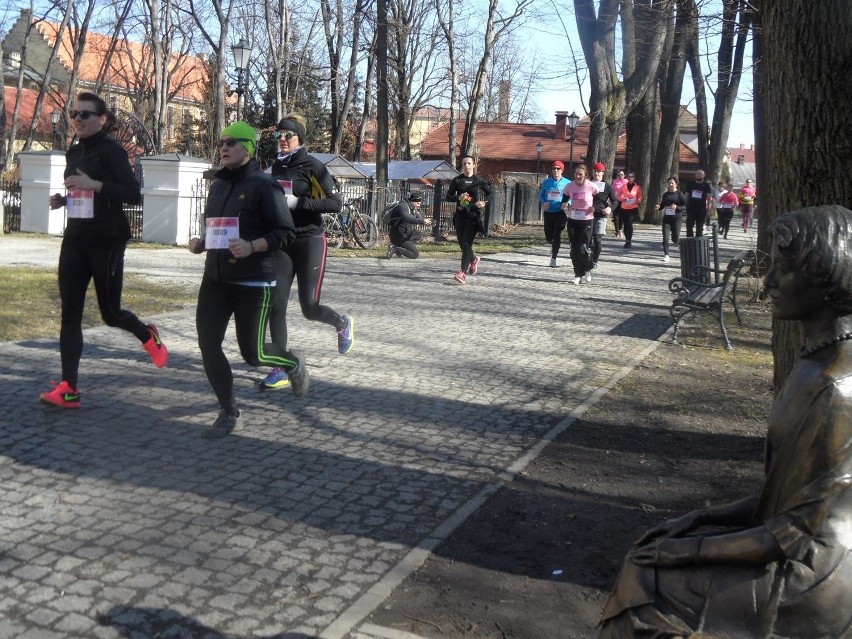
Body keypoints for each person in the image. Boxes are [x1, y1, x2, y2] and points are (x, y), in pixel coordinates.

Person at [599, 204, 852, 638]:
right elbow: (786, 495)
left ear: (826, 276)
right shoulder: (817, 362)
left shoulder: (835, 388)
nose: (767, 284)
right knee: (646, 566)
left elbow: (795, 534)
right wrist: (704, 515)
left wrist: (684, 552)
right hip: (798, 548)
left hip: (814, 577)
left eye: (782, 270)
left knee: (644, 587)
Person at [40, 92, 168, 409]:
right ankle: (69, 387)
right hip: (76, 238)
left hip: (107, 240)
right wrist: (64, 200)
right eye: (75, 114)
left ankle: (147, 335)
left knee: (110, 314)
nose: (78, 119)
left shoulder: (112, 152)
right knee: (70, 314)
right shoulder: (73, 152)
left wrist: (95, 184)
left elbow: (133, 195)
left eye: (85, 114)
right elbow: (82, 194)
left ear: (103, 119)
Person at [189, 121, 308, 438]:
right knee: (208, 344)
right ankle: (228, 411)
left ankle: (291, 362)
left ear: (248, 148)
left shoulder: (263, 186)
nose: (224, 147)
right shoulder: (217, 185)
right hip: (216, 278)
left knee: (253, 354)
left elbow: (286, 233)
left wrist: (252, 246)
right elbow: (217, 227)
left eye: (231, 142)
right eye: (222, 142)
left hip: (253, 281)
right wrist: (203, 242)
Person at [262, 113, 351, 391]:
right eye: (278, 136)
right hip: (283, 242)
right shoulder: (275, 168)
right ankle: (279, 366)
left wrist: (297, 202)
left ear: (300, 138)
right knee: (275, 305)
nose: (283, 140)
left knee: (309, 308)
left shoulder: (313, 167)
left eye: (288, 135)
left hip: (311, 241)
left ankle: (341, 323)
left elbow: (335, 203)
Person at [446, 155, 493, 284]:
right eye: (464, 164)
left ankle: (462, 273)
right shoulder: (457, 180)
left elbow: (491, 193)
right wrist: (458, 197)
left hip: (473, 216)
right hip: (460, 214)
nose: (466, 166)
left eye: (469, 163)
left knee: (467, 244)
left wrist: (485, 202)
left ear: (473, 165)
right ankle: (473, 260)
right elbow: (448, 197)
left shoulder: (478, 180)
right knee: (462, 245)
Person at [560, 164, 599, 285]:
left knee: (582, 249)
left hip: (586, 220)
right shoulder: (569, 186)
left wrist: (595, 207)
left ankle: (587, 268)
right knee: (573, 250)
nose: (578, 176)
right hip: (572, 220)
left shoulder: (592, 186)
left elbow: (599, 200)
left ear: (585, 175)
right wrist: (564, 204)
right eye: (576, 174)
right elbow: (564, 199)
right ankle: (578, 274)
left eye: (580, 174)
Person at [538, 160, 570, 267]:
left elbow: (572, 196)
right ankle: (553, 245)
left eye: (558, 169)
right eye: (554, 168)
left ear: (562, 170)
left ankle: (554, 258)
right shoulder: (547, 182)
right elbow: (541, 195)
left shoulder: (567, 183)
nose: (555, 170)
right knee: (548, 236)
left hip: (560, 212)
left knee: (557, 234)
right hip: (549, 212)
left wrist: (567, 203)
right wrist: (544, 202)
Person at [590, 162, 617, 269]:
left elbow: (615, 201)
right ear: (593, 172)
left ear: (602, 173)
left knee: (597, 239)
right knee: (588, 239)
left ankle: (595, 260)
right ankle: (591, 254)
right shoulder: (587, 184)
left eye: (599, 172)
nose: (597, 174)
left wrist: (610, 208)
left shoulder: (607, 186)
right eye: (595, 171)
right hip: (588, 215)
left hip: (601, 216)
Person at [386, 191, 429, 259]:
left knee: (418, 235)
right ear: (412, 202)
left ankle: (397, 247)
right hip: (398, 235)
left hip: (405, 233)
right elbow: (407, 218)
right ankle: (396, 249)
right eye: (417, 203)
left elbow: (420, 218)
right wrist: (422, 221)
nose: (419, 205)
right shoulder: (403, 206)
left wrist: (429, 222)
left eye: (420, 203)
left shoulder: (412, 208)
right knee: (415, 254)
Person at [654, 176, 687, 262]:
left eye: (672, 183)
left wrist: (677, 207)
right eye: (669, 183)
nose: (670, 184)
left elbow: (684, 206)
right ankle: (666, 255)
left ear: (676, 184)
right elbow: (662, 205)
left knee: (675, 238)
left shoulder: (680, 194)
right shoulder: (665, 194)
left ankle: (679, 243)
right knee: (665, 236)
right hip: (667, 219)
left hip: (677, 218)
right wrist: (659, 207)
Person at [616, 171, 642, 248]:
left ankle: (629, 241)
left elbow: (640, 196)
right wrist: (623, 199)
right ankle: (626, 239)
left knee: (629, 223)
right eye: (629, 177)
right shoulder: (623, 187)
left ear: (634, 178)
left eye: (631, 177)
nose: (630, 178)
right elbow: (618, 196)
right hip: (624, 208)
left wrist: (638, 201)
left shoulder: (637, 187)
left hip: (633, 208)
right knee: (625, 224)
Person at [684, 168, 713, 237]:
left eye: (700, 173)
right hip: (691, 208)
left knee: (699, 227)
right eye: (697, 173)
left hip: (701, 209)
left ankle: (698, 242)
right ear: (695, 175)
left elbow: (709, 198)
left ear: (704, 175)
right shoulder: (690, 184)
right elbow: (686, 195)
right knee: (689, 226)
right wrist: (684, 206)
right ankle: (690, 240)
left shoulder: (706, 185)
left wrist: (709, 209)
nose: (698, 175)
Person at [611, 169, 627, 238]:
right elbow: (612, 190)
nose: (620, 176)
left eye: (622, 175)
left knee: (622, 216)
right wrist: (609, 199)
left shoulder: (626, 182)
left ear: (624, 175)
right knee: (615, 216)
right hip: (616, 200)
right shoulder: (615, 182)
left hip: (624, 201)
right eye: (619, 175)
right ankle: (617, 231)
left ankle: (621, 230)